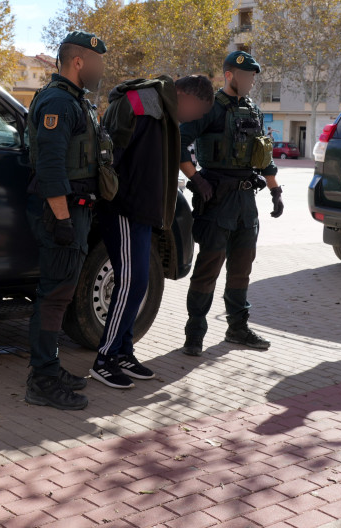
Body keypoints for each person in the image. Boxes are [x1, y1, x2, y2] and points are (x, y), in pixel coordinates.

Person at [89, 75, 213, 389]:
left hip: (142, 211)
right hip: (125, 209)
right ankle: (104, 359)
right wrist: (121, 198)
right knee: (132, 283)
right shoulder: (142, 104)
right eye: (196, 111)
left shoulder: (164, 110)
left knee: (138, 284)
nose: (193, 118)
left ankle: (123, 353)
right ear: (184, 95)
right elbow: (110, 156)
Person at [179, 51, 283, 357]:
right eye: (246, 76)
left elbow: (264, 156)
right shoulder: (209, 108)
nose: (250, 82)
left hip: (246, 201)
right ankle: (194, 333)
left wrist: (276, 192)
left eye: (253, 77)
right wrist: (196, 179)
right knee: (208, 267)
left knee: (241, 269)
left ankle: (238, 328)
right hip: (216, 198)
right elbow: (179, 144)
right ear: (229, 76)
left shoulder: (253, 110)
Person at [25, 31, 108, 410]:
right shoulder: (59, 101)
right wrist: (62, 219)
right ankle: (42, 380)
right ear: (78, 62)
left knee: (61, 293)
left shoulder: (77, 101)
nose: (101, 69)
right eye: (97, 62)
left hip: (76, 208)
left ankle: (49, 367)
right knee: (55, 295)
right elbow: (51, 166)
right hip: (61, 209)